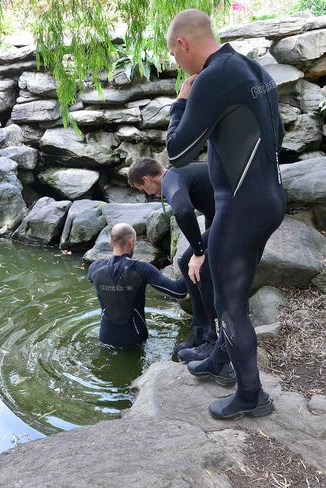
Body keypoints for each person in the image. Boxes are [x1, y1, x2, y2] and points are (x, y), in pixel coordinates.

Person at [165, 9, 286, 419]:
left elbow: (178, 151)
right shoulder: (252, 68)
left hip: (238, 207)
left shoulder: (212, 77)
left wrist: (180, 103)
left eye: (175, 56)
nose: (178, 66)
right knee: (231, 289)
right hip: (268, 198)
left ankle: (251, 396)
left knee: (229, 303)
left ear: (183, 43)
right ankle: (220, 360)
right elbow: (277, 133)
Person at [128, 158, 219, 362]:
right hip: (231, 211)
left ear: (147, 179)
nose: (146, 194)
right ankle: (200, 330)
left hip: (240, 213)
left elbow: (183, 210)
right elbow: (212, 200)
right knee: (186, 263)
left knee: (199, 266)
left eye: (142, 189)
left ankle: (213, 340)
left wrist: (198, 252)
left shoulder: (171, 180)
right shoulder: (183, 170)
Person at [87, 223, 187, 348]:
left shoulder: (94, 268)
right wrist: (190, 266)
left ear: (111, 241)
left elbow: (96, 281)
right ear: (132, 241)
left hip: (105, 338)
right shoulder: (142, 269)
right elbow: (179, 291)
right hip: (135, 339)